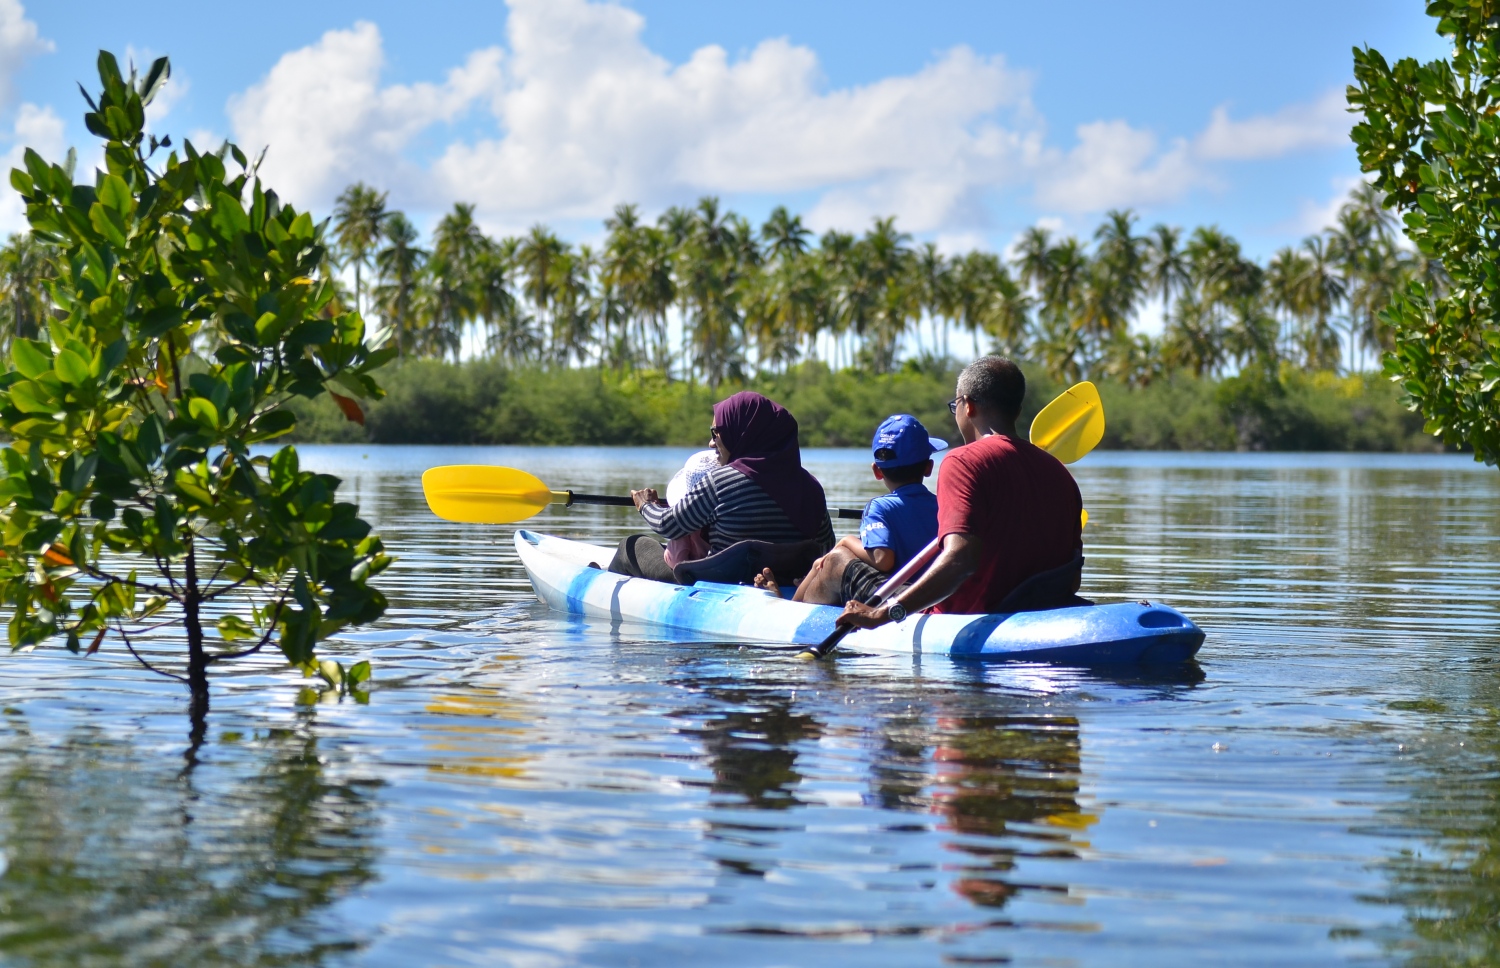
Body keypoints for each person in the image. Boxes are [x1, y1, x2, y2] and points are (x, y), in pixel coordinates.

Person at [836, 356, 1083, 630]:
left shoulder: (963, 462)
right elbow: (1072, 580)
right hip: (1038, 613)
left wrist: (885, 614)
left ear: (968, 405)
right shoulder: (1061, 474)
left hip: (963, 618)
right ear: (1017, 410)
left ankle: (793, 620)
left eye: (955, 405)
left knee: (837, 561)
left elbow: (960, 560)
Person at [609, 391, 836, 583]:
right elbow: (826, 545)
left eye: (716, 433)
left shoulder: (721, 481)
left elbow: (669, 525)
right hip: (784, 584)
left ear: (743, 434)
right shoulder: (812, 487)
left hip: (716, 585)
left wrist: (646, 505)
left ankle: (599, 582)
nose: (711, 443)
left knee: (631, 545)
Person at [756, 413, 944, 604]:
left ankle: (790, 606)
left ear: (877, 471)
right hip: (930, 592)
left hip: (895, 594)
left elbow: (882, 559)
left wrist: (846, 540)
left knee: (825, 562)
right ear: (929, 468)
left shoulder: (878, 507)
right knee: (825, 561)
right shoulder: (943, 505)